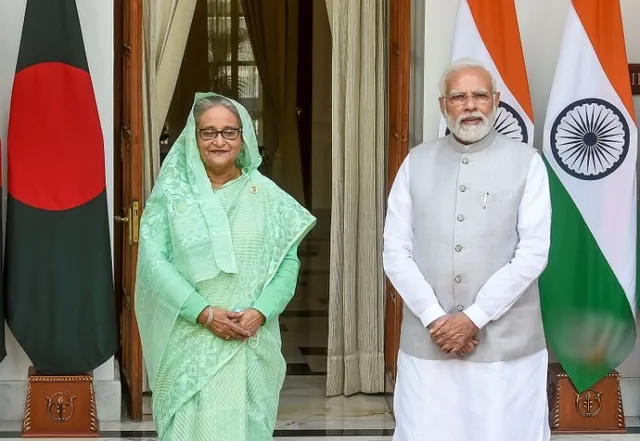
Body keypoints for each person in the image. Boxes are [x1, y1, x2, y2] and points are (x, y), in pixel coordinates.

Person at [383, 58, 552, 441]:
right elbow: (395, 250)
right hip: (430, 341)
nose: (470, 105)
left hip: (506, 346)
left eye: (479, 95)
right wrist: (435, 319)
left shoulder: (527, 163)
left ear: (496, 101)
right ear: (443, 106)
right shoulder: (416, 162)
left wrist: (473, 318)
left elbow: (533, 253)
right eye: (458, 96)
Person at [134, 92, 316, 441]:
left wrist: (260, 312)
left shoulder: (267, 196)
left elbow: (287, 263)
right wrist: (203, 312)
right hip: (190, 339)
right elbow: (154, 264)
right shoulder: (172, 198)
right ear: (194, 138)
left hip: (250, 338)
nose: (219, 141)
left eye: (229, 132)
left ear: (243, 137)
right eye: (208, 132)